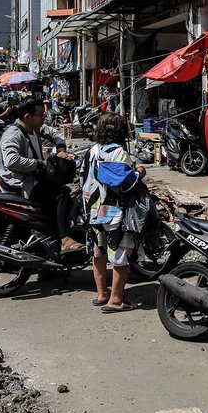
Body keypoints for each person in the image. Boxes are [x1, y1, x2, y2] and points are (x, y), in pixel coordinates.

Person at [0, 97, 82, 253]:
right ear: (27, 116)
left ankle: (49, 244)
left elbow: (54, 133)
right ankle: (65, 239)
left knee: (63, 189)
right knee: (61, 195)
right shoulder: (14, 134)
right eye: (40, 114)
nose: (43, 117)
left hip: (32, 178)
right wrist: (38, 163)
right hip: (19, 183)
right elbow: (11, 160)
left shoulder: (35, 128)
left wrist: (61, 149)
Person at [80, 112, 146, 313]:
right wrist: (140, 172)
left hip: (93, 210)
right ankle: (116, 300)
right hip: (114, 212)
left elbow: (83, 178)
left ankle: (102, 294)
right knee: (121, 255)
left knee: (98, 252)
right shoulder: (119, 153)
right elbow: (124, 184)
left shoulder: (92, 151)